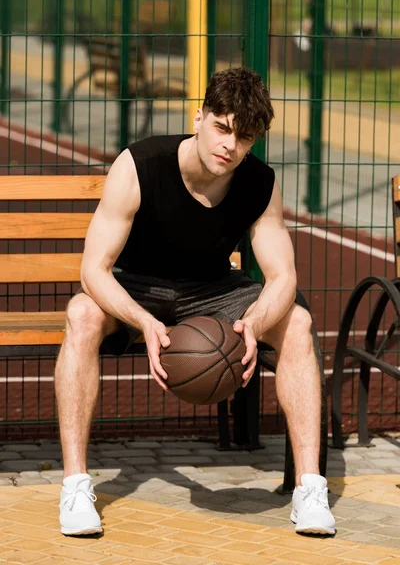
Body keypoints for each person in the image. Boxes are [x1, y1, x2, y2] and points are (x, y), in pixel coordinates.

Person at [55, 66, 335, 537]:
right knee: (81, 313)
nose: (230, 145)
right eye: (222, 127)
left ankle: (309, 490)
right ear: (199, 117)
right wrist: (142, 321)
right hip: (138, 284)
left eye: (244, 137)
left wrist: (255, 320)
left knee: (299, 323)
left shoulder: (259, 183)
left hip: (210, 288)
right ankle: (76, 486)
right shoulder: (141, 164)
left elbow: (283, 275)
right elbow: (93, 271)